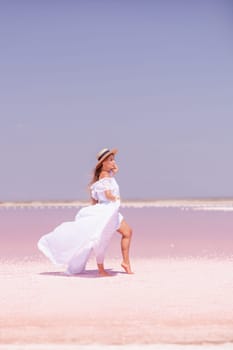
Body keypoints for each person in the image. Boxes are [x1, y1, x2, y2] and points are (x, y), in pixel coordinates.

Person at [37, 147, 133, 276]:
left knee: (127, 232)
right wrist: (114, 197)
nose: (113, 162)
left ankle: (125, 262)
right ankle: (101, 269)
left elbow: (97, 198)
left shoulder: (104, 176)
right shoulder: (104, 176)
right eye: (110, 160)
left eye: (113, 159)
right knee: (101, 239)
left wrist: (114, 172)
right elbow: (108, 193)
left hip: (111, 211)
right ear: (103, 163)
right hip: (108, 211)